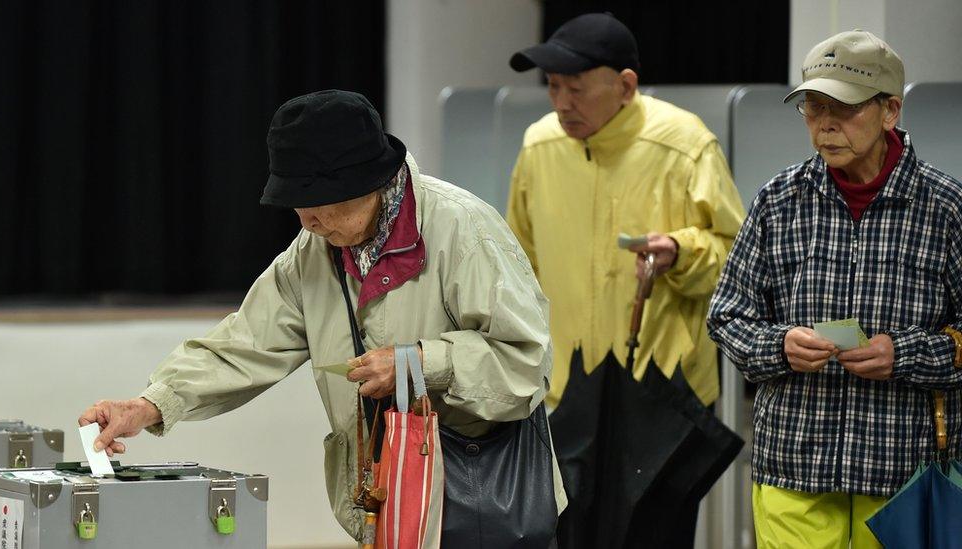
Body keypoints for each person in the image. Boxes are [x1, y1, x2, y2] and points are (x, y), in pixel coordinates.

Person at [78, 90, 566, 544]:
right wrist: (149, 405)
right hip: (388, 502)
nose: (308, 222)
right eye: (298, 207)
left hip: (476, 501)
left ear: (371, 184)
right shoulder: (317, 249)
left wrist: (418, 362)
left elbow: (525, 361)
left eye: (320, 205)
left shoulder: (464, 231)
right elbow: (244, 344)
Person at [708, 30, 962, 548]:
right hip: (793, 467)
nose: (824, 124)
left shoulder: (946, 208)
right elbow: (728, 315)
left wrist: (905, 353)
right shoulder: (778, 201)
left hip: (904, 472)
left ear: (890, 110)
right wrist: (779, 345)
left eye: (843, 108)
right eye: (812, 107)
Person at [506, 12, 744, 546]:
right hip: (565, 393)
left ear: (626, 85)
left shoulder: (685, 145)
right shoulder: (539, 146)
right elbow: (518, 265)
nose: (561, 103)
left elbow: (737, 258)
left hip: (660, 389)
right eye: (552, 87)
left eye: (576, 88)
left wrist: (681, 251)